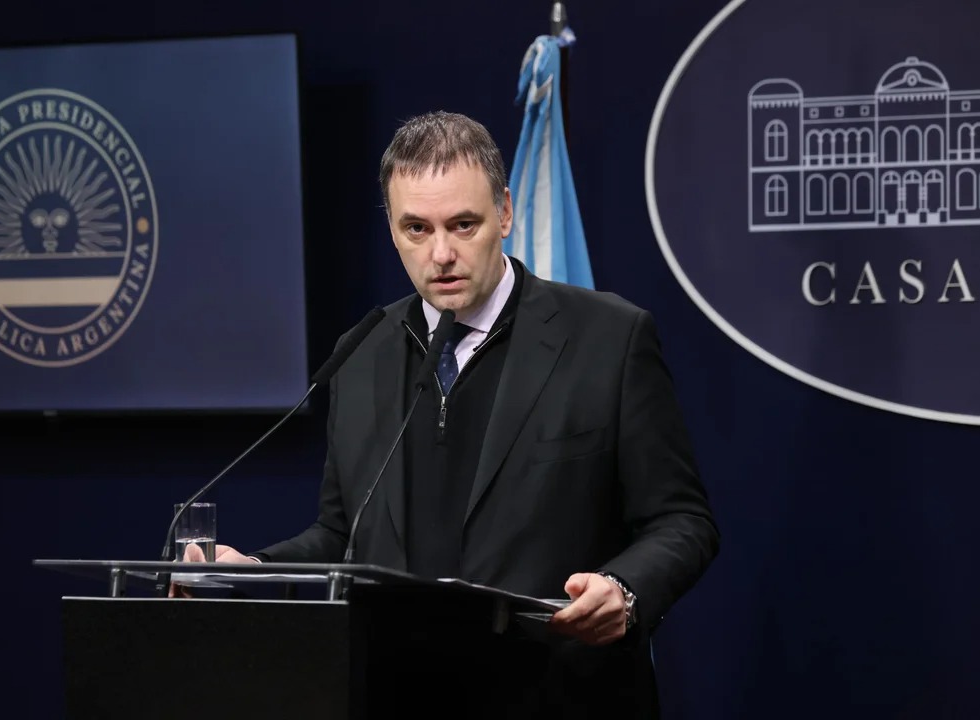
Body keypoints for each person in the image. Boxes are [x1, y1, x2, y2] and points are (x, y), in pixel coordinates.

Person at [180, 110, 719, 717]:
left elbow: (682, 520)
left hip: (559, 694)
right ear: (391, 228)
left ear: (506, 213)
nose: (441, 254)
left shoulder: (609, 337)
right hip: (397, 694)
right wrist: (255, 568)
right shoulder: (363, 351)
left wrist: (624, 588)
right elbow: (342, 536)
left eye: (464, 225)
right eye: (416, 228)